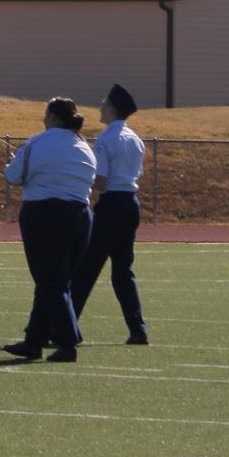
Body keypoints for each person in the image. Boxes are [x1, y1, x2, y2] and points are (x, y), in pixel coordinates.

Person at [1, 97, 96, 362]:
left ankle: (68, 341)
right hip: (81, 216)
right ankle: (34, 340)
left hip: (43, 215)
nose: (43, 119)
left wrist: (13, 162)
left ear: (54, 116)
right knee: (54, 280)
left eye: (46, 113)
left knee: (50, 281)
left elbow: (12, 177)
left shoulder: (36, 143)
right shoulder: (84, 147)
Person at [70, 81, 149, 344]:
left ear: (113, 108)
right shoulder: (136, 139)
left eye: (104, 103)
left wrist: (78, 176)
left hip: (111, 206)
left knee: (86, 268)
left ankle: (67, 328)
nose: (101, 107)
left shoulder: (105, 139)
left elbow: (101, 181)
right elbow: (135, 175)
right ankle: (138, 329)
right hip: (130, 203)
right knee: (123, 270)